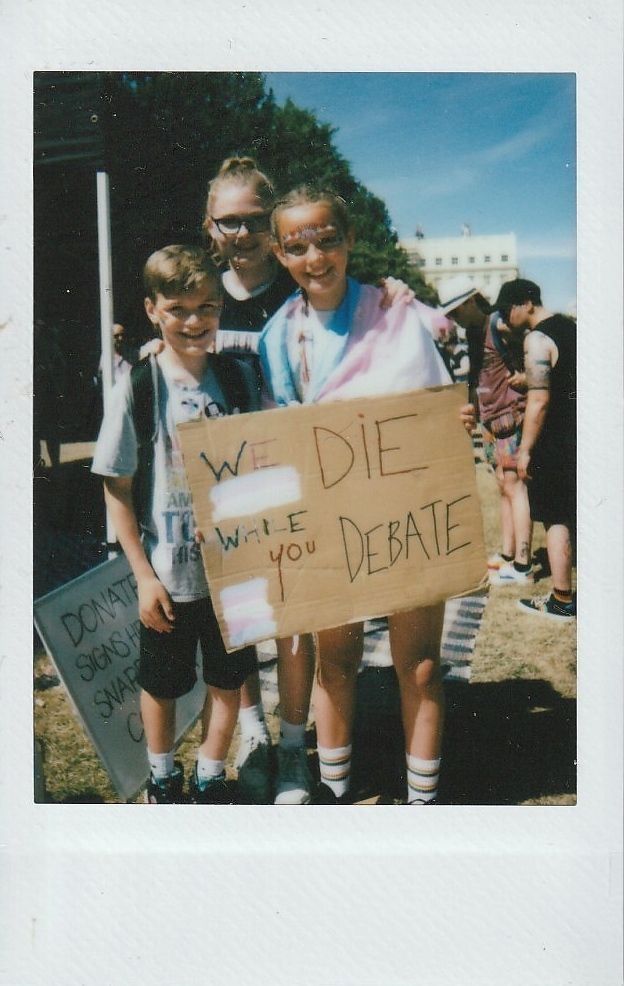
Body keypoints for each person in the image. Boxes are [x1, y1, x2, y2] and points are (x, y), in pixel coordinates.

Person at [200, 156, 419, 805]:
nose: (239, 234)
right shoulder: (202, 291)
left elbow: (353, 313)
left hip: (301, 478)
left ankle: (295, 747)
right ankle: (250, 732)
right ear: (209, 226)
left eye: (250, 221)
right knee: (238, 616)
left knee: (297, 619)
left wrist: (395, 292)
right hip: (231, 481)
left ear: (273, 235)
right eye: (226, 221)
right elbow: (173, 331)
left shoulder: (295, 288)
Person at [259, 185, 475, 804]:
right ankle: (334, 795)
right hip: (330, 516)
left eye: (328, 240)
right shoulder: (281, 336)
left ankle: (422, 802)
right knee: (336, 662)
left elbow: (435, 402)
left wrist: (451, 422)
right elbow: (276, 433)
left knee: (423, 665)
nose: (315, 256)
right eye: (297, 246)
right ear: (280, 253)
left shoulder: (394, 309)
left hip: (408, 513)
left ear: (349, 240)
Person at [92, 244, 261, 803]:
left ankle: (210, 774)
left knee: (229, 680)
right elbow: (116, 492)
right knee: (160, 685)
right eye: (178, 309)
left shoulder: (239, 380)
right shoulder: (139, 388)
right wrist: (143, 576)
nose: (194, 321)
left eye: (207, 307)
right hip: (168, 576)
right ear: (151, 310)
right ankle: (162, 777)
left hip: (233, 573)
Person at [438, 275, 533, 586]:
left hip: (509, 416)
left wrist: (527, 375)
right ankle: (508, 556)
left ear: (469, 302)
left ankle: (522, 565)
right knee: (503, 487)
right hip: (492, 421)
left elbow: (538, 344)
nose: (453, 319)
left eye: (455, 311)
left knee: (515, 487)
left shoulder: (499, 324)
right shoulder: (476, 330)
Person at [491, 279, 576, 621]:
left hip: (555, 438)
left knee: (556, 518)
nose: (505, 315)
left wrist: (524, 449)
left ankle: (561, 599)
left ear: (526, 303)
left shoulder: (537, 339)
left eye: (507, 307)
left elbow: (539, 401)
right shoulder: (569, 328)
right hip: (581, 431)